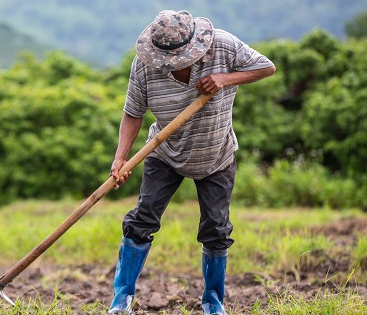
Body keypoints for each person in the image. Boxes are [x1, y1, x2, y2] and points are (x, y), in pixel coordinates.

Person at [108, 10, 276, 315]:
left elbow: (266, 67)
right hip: (165, 153)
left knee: (216, 228)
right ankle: (121, 301)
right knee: (141, 220)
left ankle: (213, 303)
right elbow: (133, 112)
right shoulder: (145, 66)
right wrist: (120, 159)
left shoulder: (223, 46)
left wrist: (225, 78)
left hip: (216, 155)